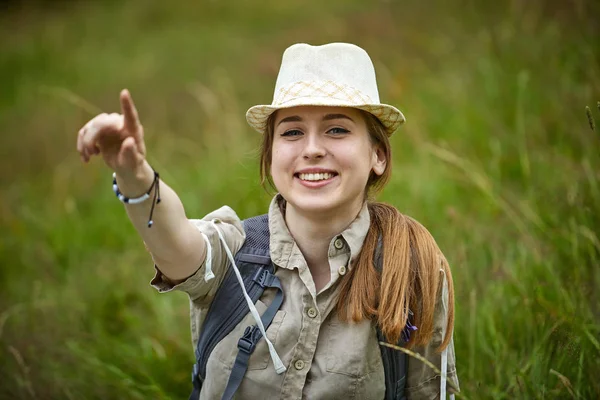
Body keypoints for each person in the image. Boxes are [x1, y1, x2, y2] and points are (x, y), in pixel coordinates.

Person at [76, 42, 459, 399]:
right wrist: (135, 176)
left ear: (378, 155)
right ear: (271, 155)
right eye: (292, 132)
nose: (312, 149)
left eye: (337, 129)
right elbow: (175, 241)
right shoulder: (235, 248)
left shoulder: (410, 267)